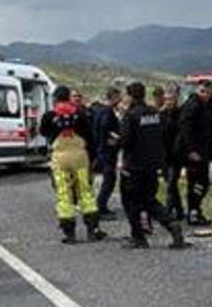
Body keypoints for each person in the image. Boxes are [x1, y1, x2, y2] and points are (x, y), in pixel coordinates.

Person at [118, 82, 187, 250]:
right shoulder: (155, 113)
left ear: (129, 96)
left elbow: (126, 140)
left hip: (134, 165)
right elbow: (163, 134)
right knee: (149, 199)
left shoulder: (131, 115)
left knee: (131, 201)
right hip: (153, 164)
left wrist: (116, 141)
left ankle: (138, 237)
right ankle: (171, 224)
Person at [41, 85, 106, 244]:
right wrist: (93, 157)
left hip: (60, 158)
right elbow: (91, 137)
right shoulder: (80, 113)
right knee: (86, 192)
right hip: (80, 157)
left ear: (55, 98)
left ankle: (69, 233)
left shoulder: (49, 115)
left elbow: (43, 132)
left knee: (64, 194)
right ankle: (92, 230)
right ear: (69, 97)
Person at [178, 80, 212, 226]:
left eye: (208, 92)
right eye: (202, 91)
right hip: (194, 152)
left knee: (202, 183)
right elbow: (185, 130)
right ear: (197, 91)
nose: (206, 95)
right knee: (196, 183)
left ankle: (195, 210)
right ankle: (193, 213)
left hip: (204, 150)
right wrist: (191, 150)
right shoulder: (192, 106)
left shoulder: (206, 106)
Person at [92, 87, 123, 219]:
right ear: (114, 97)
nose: (120, 100)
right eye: (119, 97)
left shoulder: (100, 110)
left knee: (108, 179)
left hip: (101, 150)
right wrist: (114, 139)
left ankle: (101, 206)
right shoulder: (108, 111)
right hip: (107, 152)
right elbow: (105, 127)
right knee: (109, 180)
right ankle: (101, 208)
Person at [160, 84, 185, 221]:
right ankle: (180, 210)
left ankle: (167, 212)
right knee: (171, 184)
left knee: (171, 184)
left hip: (176, 155)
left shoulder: (180, 114)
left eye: (171, 99)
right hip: (164, 155)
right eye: (166, 99)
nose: (168, 102)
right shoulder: (162, 114)